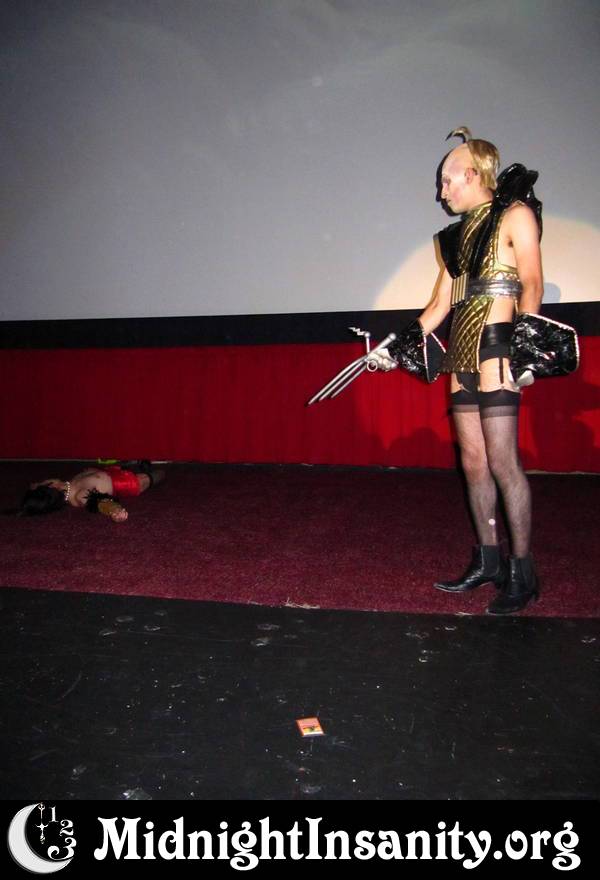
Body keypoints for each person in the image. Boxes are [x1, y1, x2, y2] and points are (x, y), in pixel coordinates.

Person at [371, 126, 547, 615]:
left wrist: (524, 348)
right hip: (461, 352)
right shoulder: (454, 238)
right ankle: (489, 560)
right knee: (472, 462)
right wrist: (393, 348)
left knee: (503, 461)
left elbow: (532, 283)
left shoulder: (516, 215)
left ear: (472, 174)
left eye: (447, 180)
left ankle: (523, 571)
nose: (441, 191)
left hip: (498, 346)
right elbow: (438, 306)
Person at [15, 461, 165, 523]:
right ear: (54, 486)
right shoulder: (80, 495)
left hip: (111, 471)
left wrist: (35, 487)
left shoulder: (69, 485)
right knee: (159, 474)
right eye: (45, 482)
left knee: (136, 467)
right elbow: (99, 502)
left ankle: (142, 467)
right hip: (124, 483)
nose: (46, 479)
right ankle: (152, 473)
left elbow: (38, 487)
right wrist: (114, 510)